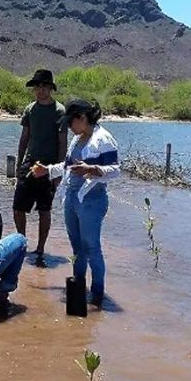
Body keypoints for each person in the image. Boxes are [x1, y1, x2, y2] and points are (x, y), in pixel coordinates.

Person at [32, 99, 119, 308]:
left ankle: (97, 294)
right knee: (77, 247)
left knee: (92, 247)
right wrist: (48, 170)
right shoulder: (78, 139)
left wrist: (92, 169)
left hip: (91, 199)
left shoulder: (103, 139)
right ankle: (79, 287)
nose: (69, 128)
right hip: (72, 197)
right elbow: (69, 166)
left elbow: (116, 170)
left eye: (71, 123)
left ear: (82, 118)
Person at [13, 69, 67, 256]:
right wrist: (20, 163)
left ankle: (40, 248)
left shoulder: (59, 111)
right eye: (37, 87)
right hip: (30, 163)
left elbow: (62, 142)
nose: (41, 91)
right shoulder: (30, 109)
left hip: (49, 165)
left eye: (44, 87)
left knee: (44, 209)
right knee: (18, 207)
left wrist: (58, 171)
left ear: (51, 89)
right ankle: (21, 243)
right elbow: (24, 137)